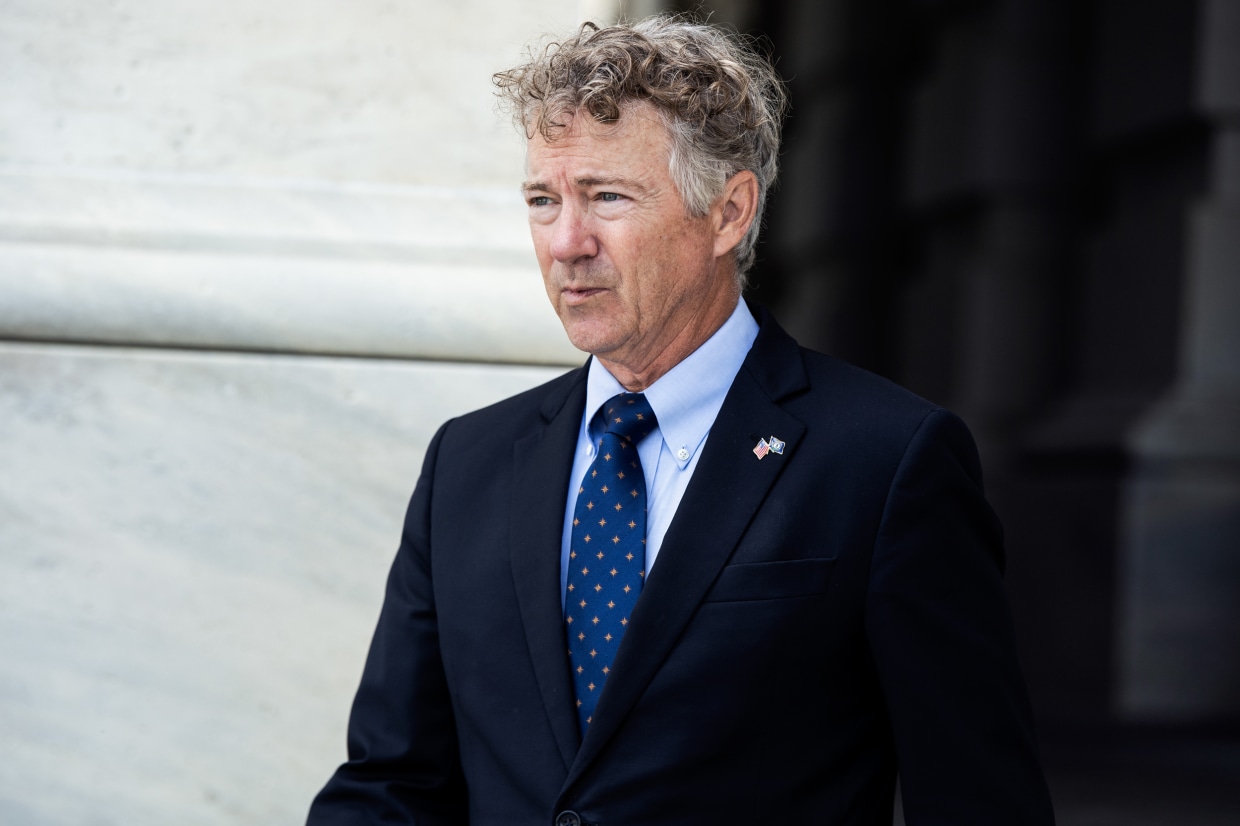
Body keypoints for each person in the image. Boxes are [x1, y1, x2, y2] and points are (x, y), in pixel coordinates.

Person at [308, 15, 1055, 826]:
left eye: (607, 197)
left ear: (729, 213)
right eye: (542, 200)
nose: (565, 242)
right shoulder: (470, 461)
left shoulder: (885, 460)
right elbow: (392, 785)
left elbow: (980, 801)